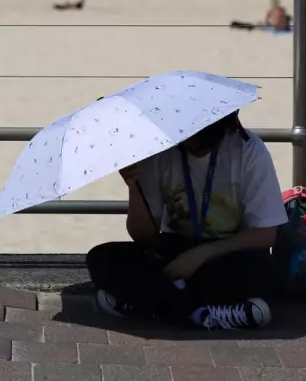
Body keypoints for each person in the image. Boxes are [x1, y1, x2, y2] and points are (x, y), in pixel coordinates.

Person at [86, 113, 287, 330]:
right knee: (100, 259)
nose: (191, 144)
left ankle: (150, 306)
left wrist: (202, 254)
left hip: (227, 252)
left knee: (262, 270)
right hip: (174, 251)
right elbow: (144, 237)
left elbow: (266, 234)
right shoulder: (161, 151)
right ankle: (205, 313)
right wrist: (134, 187)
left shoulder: (249, 150)